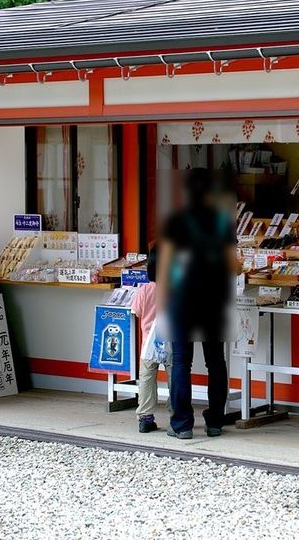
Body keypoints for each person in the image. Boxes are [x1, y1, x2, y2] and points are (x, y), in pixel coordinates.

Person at [157, 169, 236, 439]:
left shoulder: (176, 221)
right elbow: (231, 265)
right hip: (214, 300)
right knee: (216, 361)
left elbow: (165, 265)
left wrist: (162, 301)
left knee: (181, 362)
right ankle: (215, 421)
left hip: (183, 300)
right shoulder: (222, 222)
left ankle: (182, 424)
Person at [131, 246, 171, 433]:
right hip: (171, 341)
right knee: (175, 377)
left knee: (147, 378)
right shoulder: (174, 289)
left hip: (148, 343)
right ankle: (176, 412)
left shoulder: (145, 290)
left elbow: (137, 312)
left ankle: (145, 417)